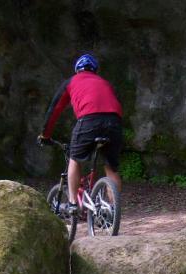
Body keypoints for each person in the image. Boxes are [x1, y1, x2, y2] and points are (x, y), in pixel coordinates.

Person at [38, 54, 123, 208]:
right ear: (94, 70)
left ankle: (72, 204)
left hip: (89, 121)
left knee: (74, 160)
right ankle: (112, 209)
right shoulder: (105, 83)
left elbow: (54, 110)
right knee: (111, 168)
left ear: (77, 70)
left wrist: (45, 135)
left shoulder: (71, 82)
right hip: (114, 122)